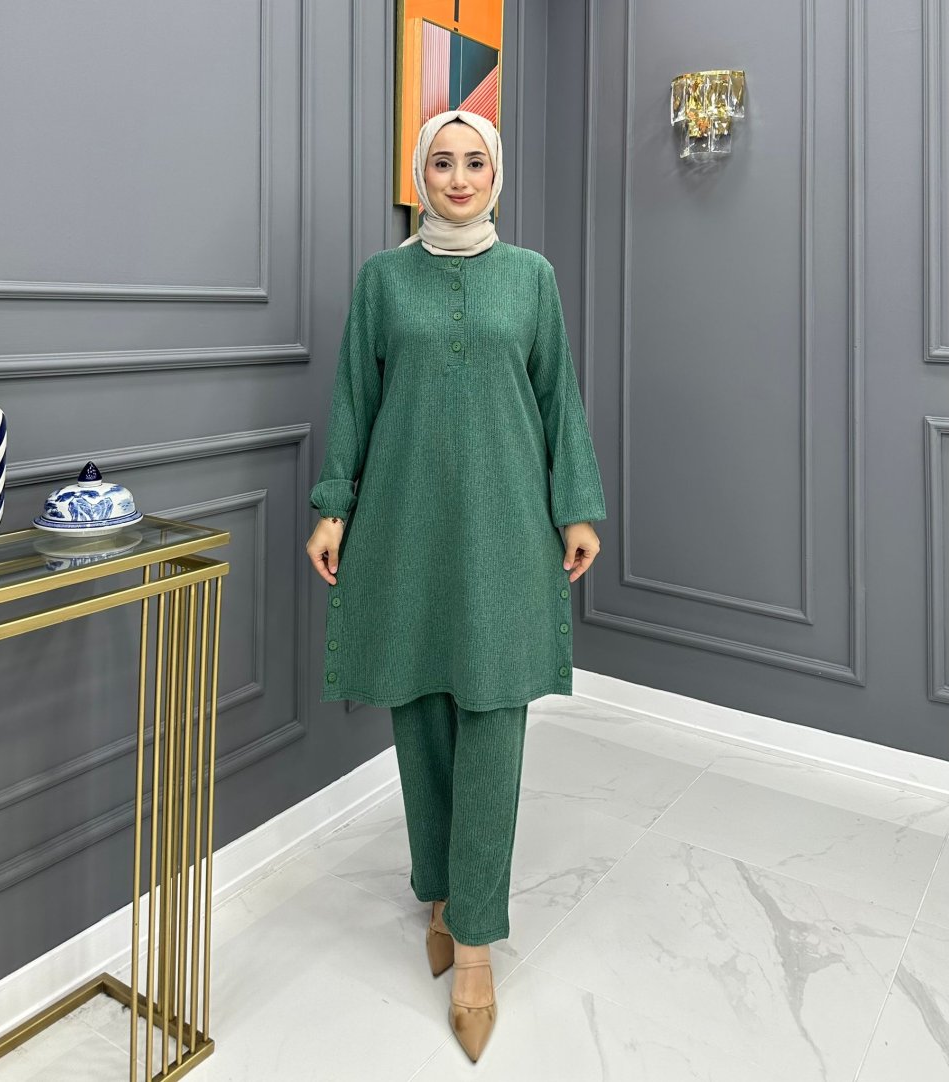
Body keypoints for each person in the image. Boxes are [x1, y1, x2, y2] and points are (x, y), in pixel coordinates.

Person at [305, 108, 606, 1063]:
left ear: (496, 174)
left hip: (507, 527)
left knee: (494, 715)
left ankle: (473, 943)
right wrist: (332, 506)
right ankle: (436, 892)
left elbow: (558, 399)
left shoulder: (532, 279)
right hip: (404, 524)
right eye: (443, 162)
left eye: (476, 162)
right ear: (420, 175)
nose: (461, 177)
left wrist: (577, 507)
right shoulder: (382, 281)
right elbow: (354, 398)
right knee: (420, 711)